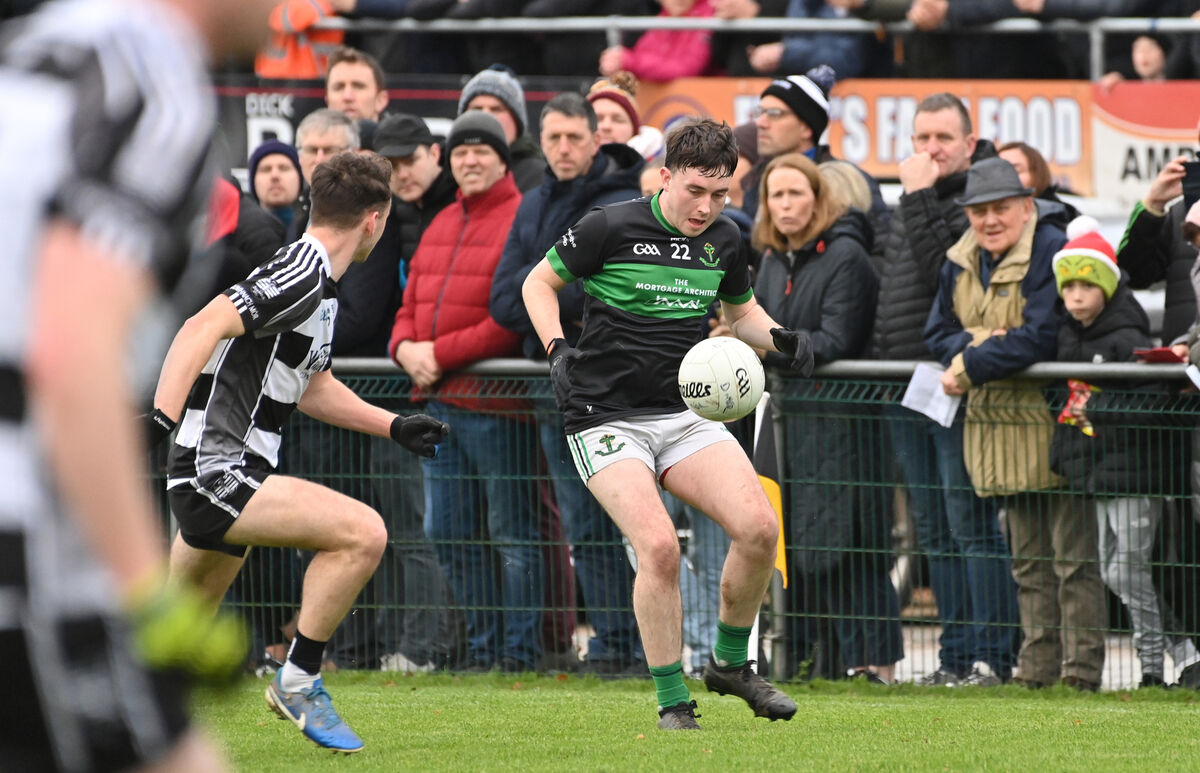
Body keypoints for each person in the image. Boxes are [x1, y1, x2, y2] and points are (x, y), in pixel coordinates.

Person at [0, 0, 280, 769]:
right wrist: (143, 591)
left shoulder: (38, 45)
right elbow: (70, 347)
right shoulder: (155, 80)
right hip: (24, 525)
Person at [151, 152, 449, 753]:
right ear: (376, 219)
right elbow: (197, 328)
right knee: (363, 533)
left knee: (163, 650)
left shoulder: (319, 285)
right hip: (216, 471)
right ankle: (300, 679)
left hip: (231, 474)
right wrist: (159, 422)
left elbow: (311, 386)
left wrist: (393, 425)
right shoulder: (300, 275)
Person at [521, 118, 813, 730]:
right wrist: (556, 351)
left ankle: (731, 666)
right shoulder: (609, 224)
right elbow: (537, 283)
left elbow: (742, 313)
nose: (707, 207)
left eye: (721, 194)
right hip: (605, 417)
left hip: (683, 414)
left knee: (760, 527)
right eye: (695, 192)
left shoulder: (727, 239)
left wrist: (782, 339)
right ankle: (672, 699)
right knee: (656, 547)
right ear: (665, 177)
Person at [925, 157, 1106, 691]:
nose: (989, 220)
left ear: (1027, 208)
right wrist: (986, 346)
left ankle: (1081, 674)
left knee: (1074, 564)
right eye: (979, 211)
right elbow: (935, 334)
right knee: (1028, 565)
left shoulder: (1051, 248)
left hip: (1058, 428)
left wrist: (974, 360)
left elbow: (1046, 335)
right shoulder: (958, 258)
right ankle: (1038, 673)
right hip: (998, 430)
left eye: (1001, 208)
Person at [489, 92, 645, 674]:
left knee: (610, 518)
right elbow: (504, 297)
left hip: (609, 379)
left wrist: (550, 289)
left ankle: (626, 646)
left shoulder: (621, 199)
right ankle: (608, 643)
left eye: (573, 138)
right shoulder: (532, 203)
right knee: (576, 520)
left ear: (594, 138)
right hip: (552, 376)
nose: (561, 148)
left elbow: (618, 285)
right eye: (551, 138)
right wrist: (555, 295)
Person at [871, 92, 1019, 687]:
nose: (929, 149)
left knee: (970, 524)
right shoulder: (916, 198)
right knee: (933, 529)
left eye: (941, 138)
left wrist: (914, 196)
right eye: (920, 138)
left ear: (968, 140)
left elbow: (945, 271)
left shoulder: (975, 196)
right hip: (904, 382)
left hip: (953, 379)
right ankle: (955, 659)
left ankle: (992, 656)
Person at [389, 111, 543, 673]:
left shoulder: (521, 215)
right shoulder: (441, 222)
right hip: (440, 404)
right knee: (447, 532)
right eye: (460, 151)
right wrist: (404, 349)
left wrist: (439, 355)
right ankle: (482, 652)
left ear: (503, 158)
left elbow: (512, 314)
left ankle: (519, 654)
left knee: (511, 533)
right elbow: (408, 307)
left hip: (498, 404)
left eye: (481, 150)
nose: (469, 160)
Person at [752, 153, 902, 683]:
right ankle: (816, 665)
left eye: (796, 194)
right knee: (799, 548)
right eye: (776, 195)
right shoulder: (770, 261)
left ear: (818, 199)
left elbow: (836, 340)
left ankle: (876, 670)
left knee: (854, 549)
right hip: (788, 430)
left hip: (846, 428)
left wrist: (759, 346)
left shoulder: (847, 258)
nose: (785, 205)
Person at [1048, 228, 1200, 690]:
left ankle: (1159, 661)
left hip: (1136, 475)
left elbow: (1150, 405)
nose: (1076, 296)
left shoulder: (1127, 334)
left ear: (1108, 286)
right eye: (1068, 286)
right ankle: (1174, 659)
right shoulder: (1067, 336)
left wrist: (1093, 408)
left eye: (1086, 285)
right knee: (1116, 570)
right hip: (1097, 472)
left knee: (1124, 570)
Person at [741, 65, 887, 234]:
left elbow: (880, 247)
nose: (761, 123)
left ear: (806, 128)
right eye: (760, 112)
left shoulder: (850, 181)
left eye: (774, 114)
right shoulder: (755, 180)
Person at [458, 64, 545, 192]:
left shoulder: (540, 177)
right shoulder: (446, 175)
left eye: (496, 109)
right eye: (477, 108)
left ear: (517, 121)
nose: (486, 115)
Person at [598, 0, 716, 83]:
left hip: (704, 107)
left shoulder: (709, 15)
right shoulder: (663, 18)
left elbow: (687, 69)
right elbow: (643, 54)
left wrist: (629, 62)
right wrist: (618, 61)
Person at [585, 72, 666, 162]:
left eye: (618, 120)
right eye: (597, 119)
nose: (606, 126)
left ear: (634, 130)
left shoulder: (655, 172)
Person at [996, 141, 1079, 227]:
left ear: (1037, 174)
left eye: (1015, 171)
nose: (1005, 178)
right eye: (998, 172)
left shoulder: (1060, 220)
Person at [249, 138, 305, 239]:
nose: (275, 176)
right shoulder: (238, 235)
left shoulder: (316, 231)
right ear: (253, 181)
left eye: (284, 168)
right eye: (266, 169)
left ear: (300, 178)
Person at [324, 46, 389, 123]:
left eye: (358, 87)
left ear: (380, 100)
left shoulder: (402, 134)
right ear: (327, 101)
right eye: (339, 88)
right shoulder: (309, 134)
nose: (347, 97)